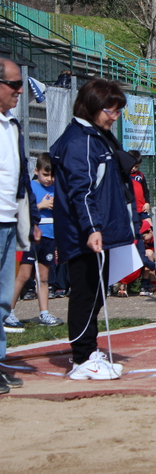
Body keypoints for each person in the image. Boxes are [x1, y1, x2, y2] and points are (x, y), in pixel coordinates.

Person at [50, 77, 134, 380]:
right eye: (110, 111)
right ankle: (82, 357)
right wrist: (92, 228)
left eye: (118, 111)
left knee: (97, 293)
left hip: (99, 228)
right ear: (92, 108)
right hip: (83, 233)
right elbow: (81, 191)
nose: (115, 117)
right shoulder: (80, 141)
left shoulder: (96, 137)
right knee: (86, 294)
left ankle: (88, 349)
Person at [0, 58, 40, 392]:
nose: (19, 91)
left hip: (9, 218)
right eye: (14, 85)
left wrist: (33, 220)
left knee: (2, 297)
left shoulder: (12, 123)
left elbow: (23, 175)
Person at [6, 153, 64, 330]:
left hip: (49, 237)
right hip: (32, 237)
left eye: (52, 175)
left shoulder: (57, 189)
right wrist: (41, 206)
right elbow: (24, 210)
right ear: (36, 171)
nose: (49, 179)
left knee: (44, 277)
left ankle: (44, 313)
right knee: (24, 275)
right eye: (45, 174)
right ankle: (8, 312)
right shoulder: (30, 187)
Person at [128, 150, 151, 223]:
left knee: (150, 227)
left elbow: (146, 190)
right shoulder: (124, 176)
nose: (133, 168)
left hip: (142, 209)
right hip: (130, 209)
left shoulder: (140, 175)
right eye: (132, 166)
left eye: (136, 166)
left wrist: (147, 203)